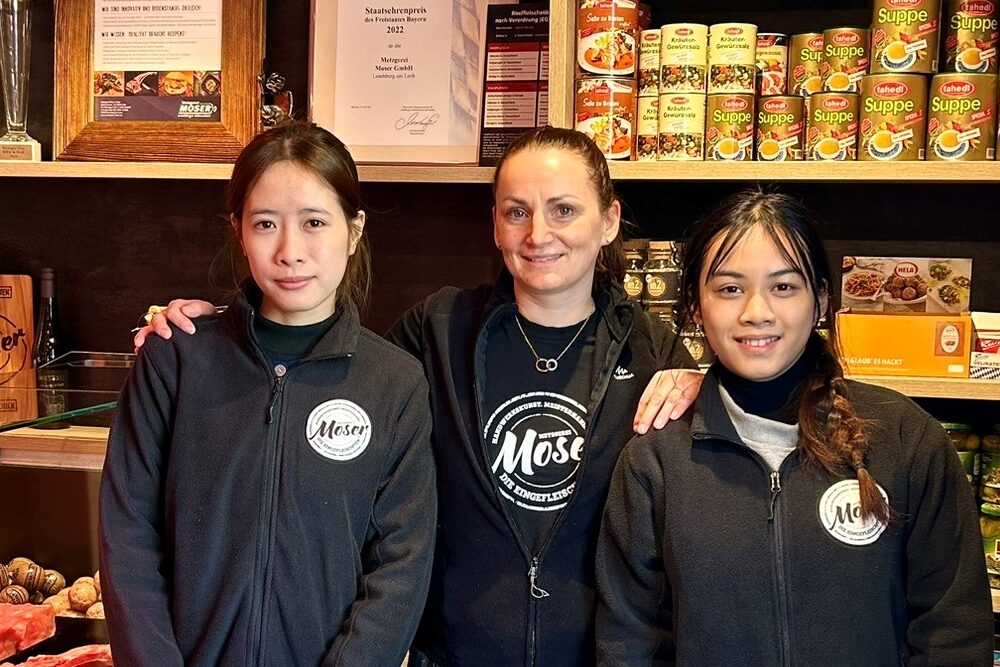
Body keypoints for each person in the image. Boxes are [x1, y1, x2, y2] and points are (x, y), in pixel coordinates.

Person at [135, 126, 703, 666]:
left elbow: (716, 489)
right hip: (455, 654)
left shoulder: (655, 353)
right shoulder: (439, 328)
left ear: (609, 221)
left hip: (598, 655)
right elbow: (323, 364)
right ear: (495, 225)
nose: (538, 234)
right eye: (516, 212)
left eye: (564, 210)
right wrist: (223, 327)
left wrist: (713, 387)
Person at [594, 190, 993, 666]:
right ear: (695, 307)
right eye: (729, 289)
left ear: (820, 300)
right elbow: (631, 641)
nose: (757, 312)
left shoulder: (905, 438)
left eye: (783, 287)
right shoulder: (656, 460)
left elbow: (952, 630)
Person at [99, 121, 436, 667]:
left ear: (354, 231)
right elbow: (128, 536)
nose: (289, 251)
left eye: (314, 223)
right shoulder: (176, 360)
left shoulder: (394, 383)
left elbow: (402, 564)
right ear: (238, 231)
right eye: (265, 224)